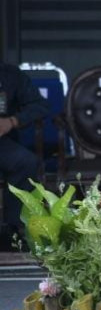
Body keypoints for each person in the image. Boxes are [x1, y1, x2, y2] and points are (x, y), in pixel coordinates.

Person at [0, 62, 50, 248]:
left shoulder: (9, 73)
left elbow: (40, 105)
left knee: (26, 162)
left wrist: (13, 121)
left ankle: (15, 230)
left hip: (2, 141)